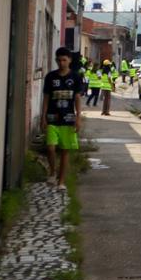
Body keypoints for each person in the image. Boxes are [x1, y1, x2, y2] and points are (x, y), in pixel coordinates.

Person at [41, 47, 83, 189]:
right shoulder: (50, 77)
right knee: (50, 147)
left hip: (68, 119)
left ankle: (61, 181)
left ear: (69, 60)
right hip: (52, 118)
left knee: (65, 151)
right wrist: (43, 116)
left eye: (64, 60)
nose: (61, 63)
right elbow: (46, 98)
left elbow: (77, 98)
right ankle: (53, 172)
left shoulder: (75, 77)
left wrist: (78, 117)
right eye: (59, 60)